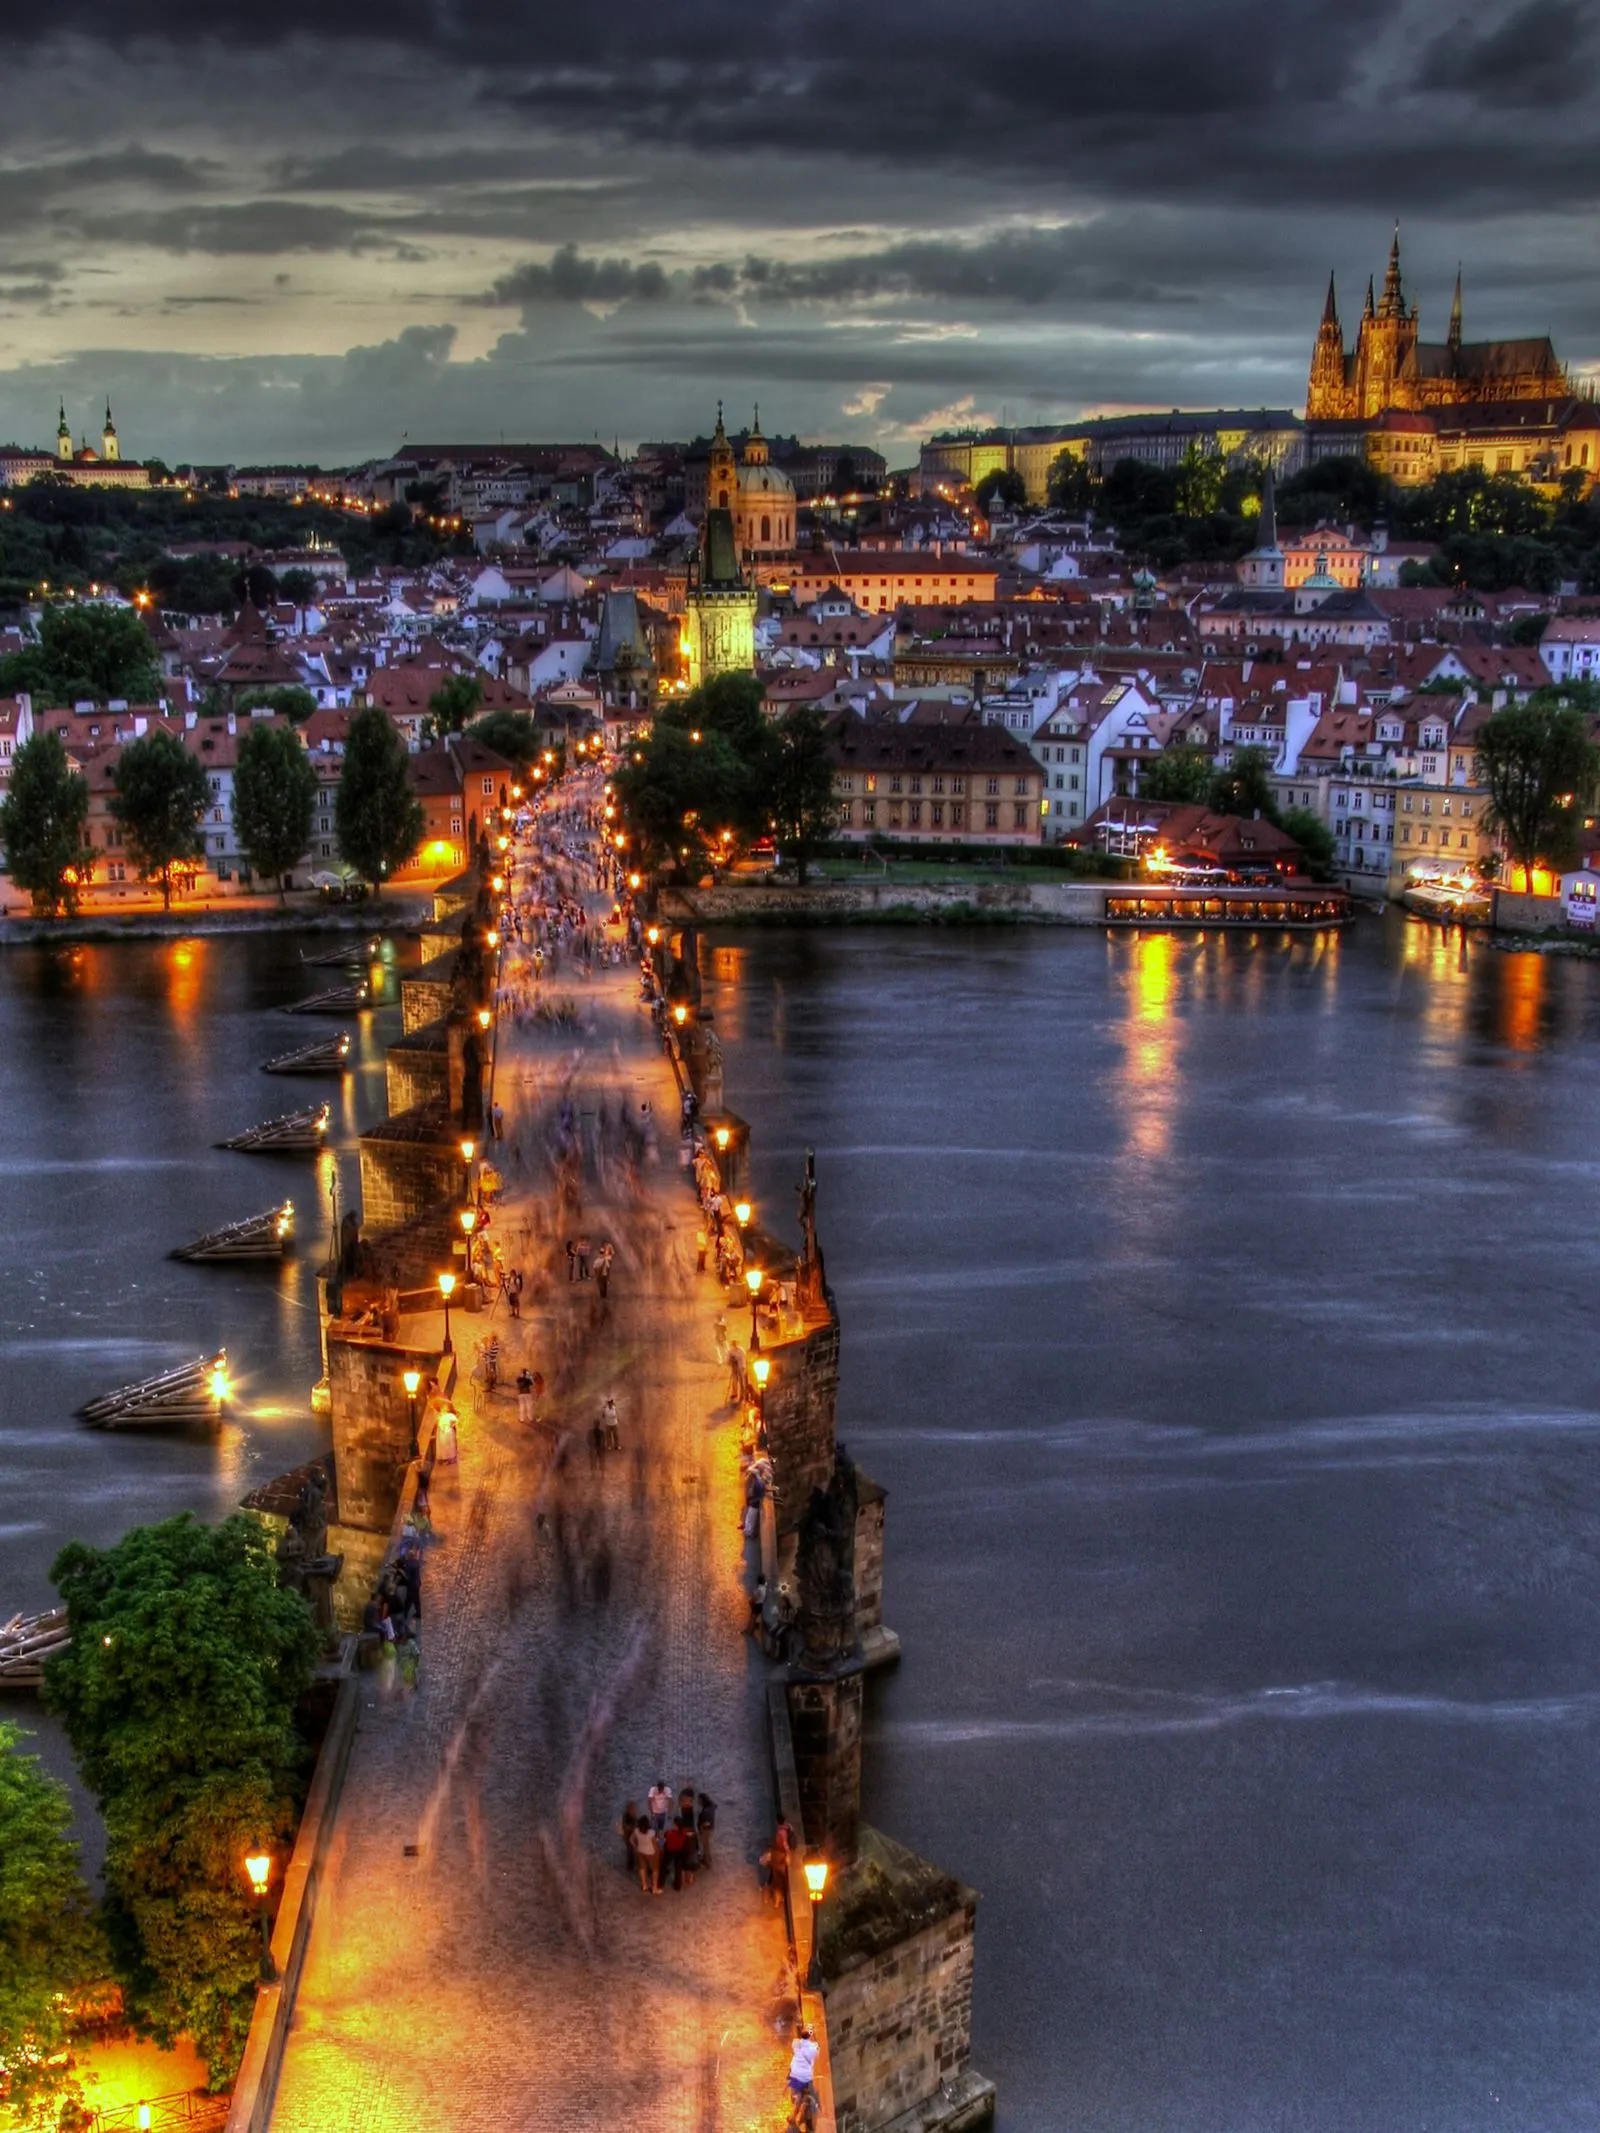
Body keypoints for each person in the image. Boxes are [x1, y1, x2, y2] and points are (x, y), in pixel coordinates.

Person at [787, 2028, 820, 2117]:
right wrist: (814, 2037)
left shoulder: (796, 2043)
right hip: (804, 2075)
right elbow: (816, 2049)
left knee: (796, 2094)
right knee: (801, 2095)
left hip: (795, 2073)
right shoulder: (812, 2048)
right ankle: (796, 2115)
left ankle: (795, 2113)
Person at [630, 1815, 661, 1895]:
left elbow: (631, 1839)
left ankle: (644, 1885)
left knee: (642, 1868)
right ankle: (654, 1888)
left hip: (640, 1851)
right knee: (655, 1870)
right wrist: (658, 1853)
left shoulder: (636, 1831)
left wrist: (636, 1847)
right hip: (651, 1853)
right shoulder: (651, 1833)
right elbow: (655, 1846)